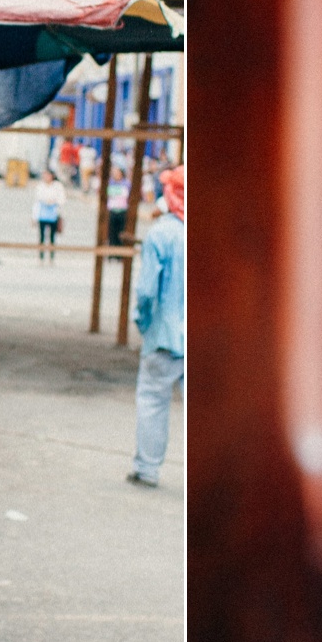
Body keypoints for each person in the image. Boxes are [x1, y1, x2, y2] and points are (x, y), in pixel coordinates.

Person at [128, 167, 185, 489]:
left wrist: (144, 323)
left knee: (152, 401)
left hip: (164, 337)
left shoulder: (162, 234)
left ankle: (147, 470)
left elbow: (147, 291)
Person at [33, 172, 65, 262]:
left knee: (52, 236)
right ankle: (41, 254)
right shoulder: (40, 186)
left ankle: (51, 255)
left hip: (53, 213)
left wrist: (54, 201)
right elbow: (37, 200)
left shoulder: (57, 186)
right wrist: (34, 216)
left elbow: (62, 199)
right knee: (42, 235)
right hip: (42, 213)